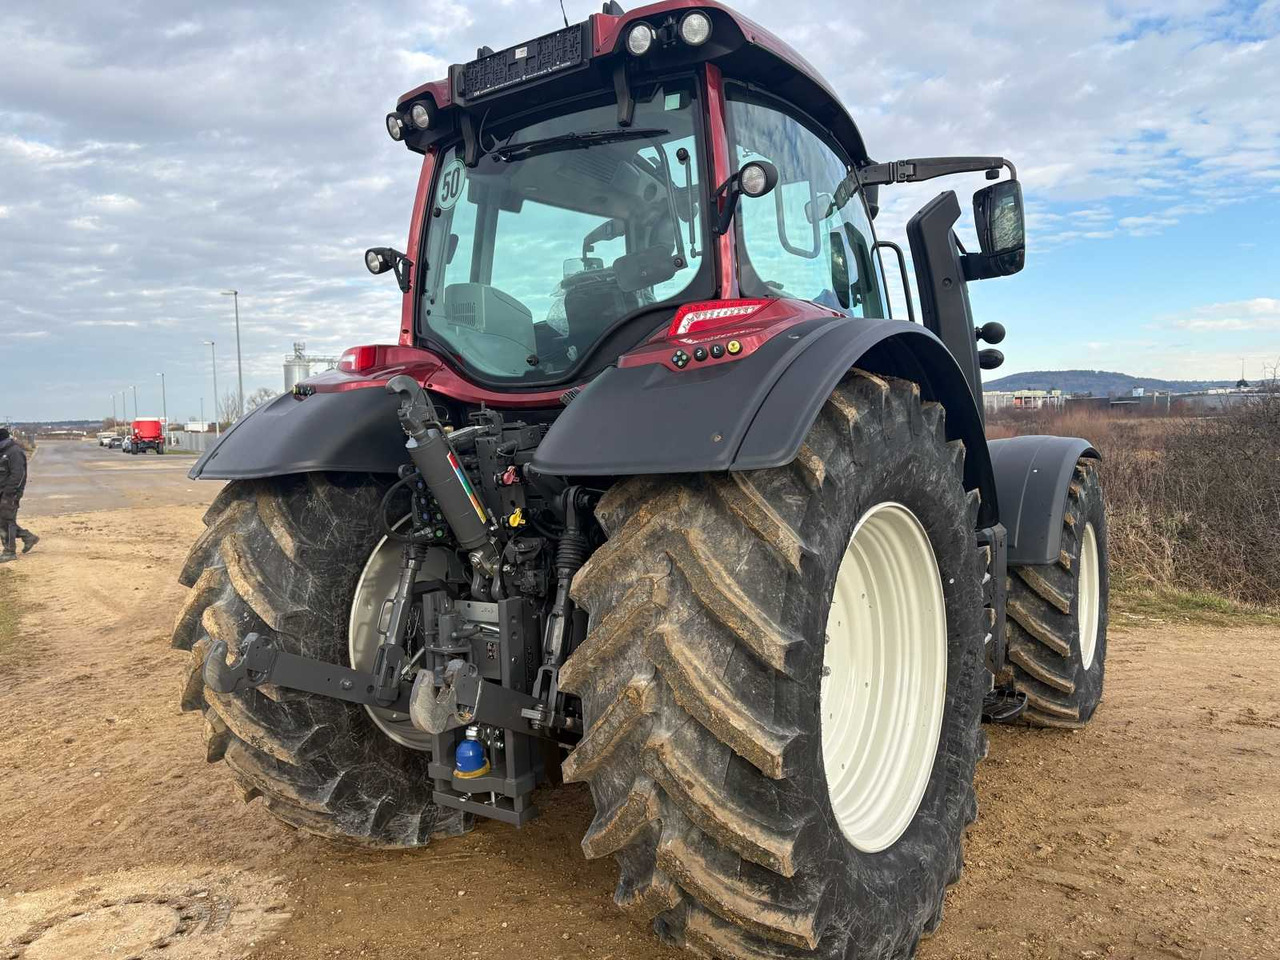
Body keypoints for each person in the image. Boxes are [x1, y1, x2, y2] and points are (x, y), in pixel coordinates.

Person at [0, 427, 38, 563]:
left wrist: (9, 493)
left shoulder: (14, 452)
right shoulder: (2, 451)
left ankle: (9, 551)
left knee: (6, 521)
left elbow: (18, 475)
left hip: (10, 494)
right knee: (4, 521)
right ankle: (28, 537)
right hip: (2, 492)